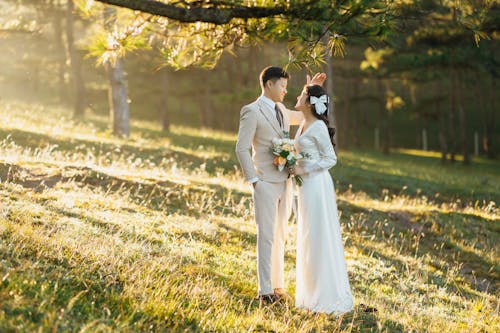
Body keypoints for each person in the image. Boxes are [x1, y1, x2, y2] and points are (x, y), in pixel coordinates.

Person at [235, 66, 326, 306]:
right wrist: (254, 180)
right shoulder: (251, 111)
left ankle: (277, 286)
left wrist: (312, 90)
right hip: (264, 182)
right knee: (266, 236)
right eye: (282, 86)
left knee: (280, 236)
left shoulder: (283, 111)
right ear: (268, 85)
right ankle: (264, 290)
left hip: (285, 182)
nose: (286, 90)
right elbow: (241, 148)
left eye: (287, 86)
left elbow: (307, 114)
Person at [290, 84, 354, 314]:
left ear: (308, 103)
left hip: (317, 185)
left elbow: (330, 158)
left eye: (301, 94)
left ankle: (325, 295)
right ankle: (309, 294)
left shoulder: (317, 126)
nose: (296, 96)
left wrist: (303, 170)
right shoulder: (304, 122)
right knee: (308, 234)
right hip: (305, 186)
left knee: (318, 234)